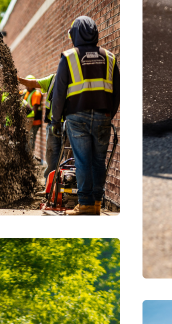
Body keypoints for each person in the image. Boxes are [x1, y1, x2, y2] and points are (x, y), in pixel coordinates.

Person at [49, 15, 120, 216]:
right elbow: (117, 92)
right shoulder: (110, 57)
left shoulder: (69, 57)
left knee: (82, 160)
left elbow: (59, 93)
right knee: (99, 160)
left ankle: (85, 204)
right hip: (102, 117)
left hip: (76, 118)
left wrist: (55, 120)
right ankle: (96, 204)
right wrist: (108, 114)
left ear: (74, 35)